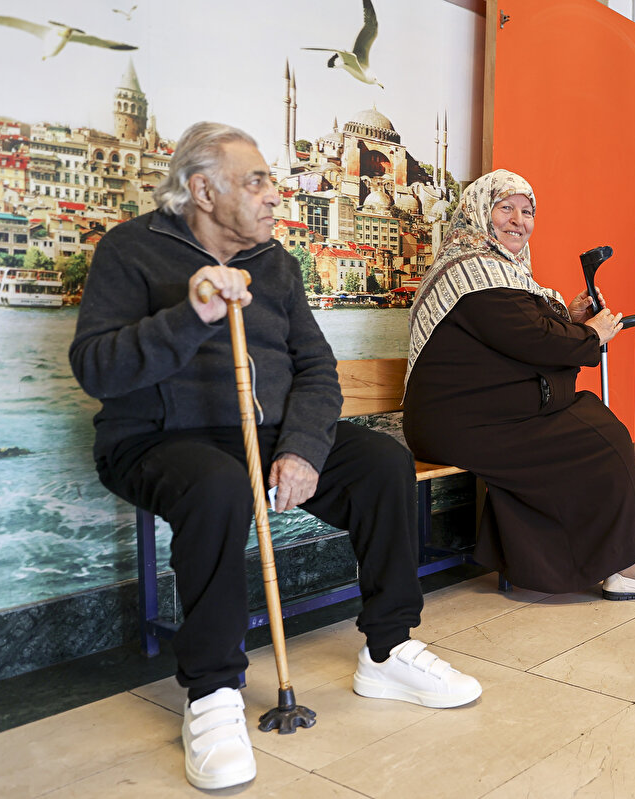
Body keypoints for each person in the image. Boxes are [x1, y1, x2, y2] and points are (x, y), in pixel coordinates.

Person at [68, 123, 481, 792]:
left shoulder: (275, 263)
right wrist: (191, 314)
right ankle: (212, 691)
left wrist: (303, 448)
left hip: (269, 435)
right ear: (204, 190)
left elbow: (316, 367)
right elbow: (96, 369)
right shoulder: (130, 249)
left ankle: (389, 648)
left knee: (381, 463)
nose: (274, 194)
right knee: (219, 486)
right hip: (156, 439)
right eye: (256, 180)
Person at [403, 169, 635, 601]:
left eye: (527, 211)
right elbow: (533, 339)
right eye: (506, 208)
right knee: (598, 440)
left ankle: (619, 547)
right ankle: (628, 565)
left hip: (484, 414)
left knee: (595, 421)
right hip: (460, 423)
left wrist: (573, 321)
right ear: (478, 212)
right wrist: (591, 333)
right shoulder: (472, 273)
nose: (518, 221)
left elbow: (524, 330)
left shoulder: (494, 269)